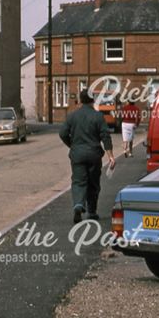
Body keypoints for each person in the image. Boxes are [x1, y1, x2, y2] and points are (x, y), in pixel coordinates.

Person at [59, 89, 115, 223]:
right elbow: (105, 136)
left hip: (77, 154)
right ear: (93, 100)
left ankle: (78, 205)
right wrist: (111, 156)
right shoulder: (98, 116)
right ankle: (92, 211)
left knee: (78, 181)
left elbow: (62, 133)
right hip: (94, 154)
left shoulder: (72, 116)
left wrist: (72, 145)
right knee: (93, 183)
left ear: (80, 100)